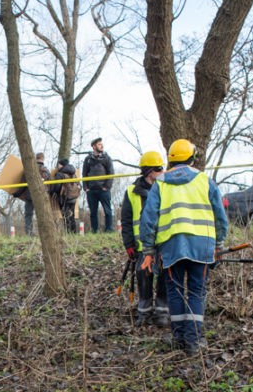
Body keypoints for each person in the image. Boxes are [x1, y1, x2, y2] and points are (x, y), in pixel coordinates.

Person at [139, 139, 228, 354]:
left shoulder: (160, 183)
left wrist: (149, 250)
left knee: (175, 291)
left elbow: (148, 219)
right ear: (192, 157)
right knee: (197, 292)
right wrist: (219, 244)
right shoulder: (205, 181)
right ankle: (194, 341)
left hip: (171, 247)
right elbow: (220, 217)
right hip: (202, 245)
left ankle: (179, 338)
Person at [122, 152, 168, 325]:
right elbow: (126, 221)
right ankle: (144, 313)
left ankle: (162, 312)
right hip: (142, 246)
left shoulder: (165, 188)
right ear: (150, 171)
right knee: (143, 277)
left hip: (163, 242)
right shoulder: (131, 192)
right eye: (159, 169)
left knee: (164, 276)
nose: (162, 172)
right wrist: (129, 245)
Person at [82, 137, 114, 232]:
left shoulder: (107, 158)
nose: (102, 146)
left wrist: (106, 187)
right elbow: (84, 174)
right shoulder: (88, 159)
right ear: (94, 146)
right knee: (93, 212)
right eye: (99, 144)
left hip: (103, 190)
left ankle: (109, 229)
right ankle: (94, 230)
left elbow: (111, 173)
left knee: (107, 211)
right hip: (91, 190)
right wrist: (86, 187)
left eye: (102, 144)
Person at [13, 153, 50, 236]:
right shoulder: (46, 170)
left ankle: (29, 234)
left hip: (30, 196)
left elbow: (23, 184)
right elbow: (50, 185)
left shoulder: (29, 169)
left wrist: (16, 194)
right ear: (43, 159)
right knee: (42, 215)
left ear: (35, 158)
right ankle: (45, 234)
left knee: (29, 215)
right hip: (42, 197)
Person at [52, 158, 80, 233]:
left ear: (61, 165)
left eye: (58, 164)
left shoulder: (60, 174)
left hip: (64, 198)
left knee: (66, 216)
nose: (57, 166)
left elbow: (56, 187)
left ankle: (68, 233)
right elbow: (78, 184)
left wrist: (51, 191)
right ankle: (74, 233)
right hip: (73, 197)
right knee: (72, 216)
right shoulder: (74, 174)